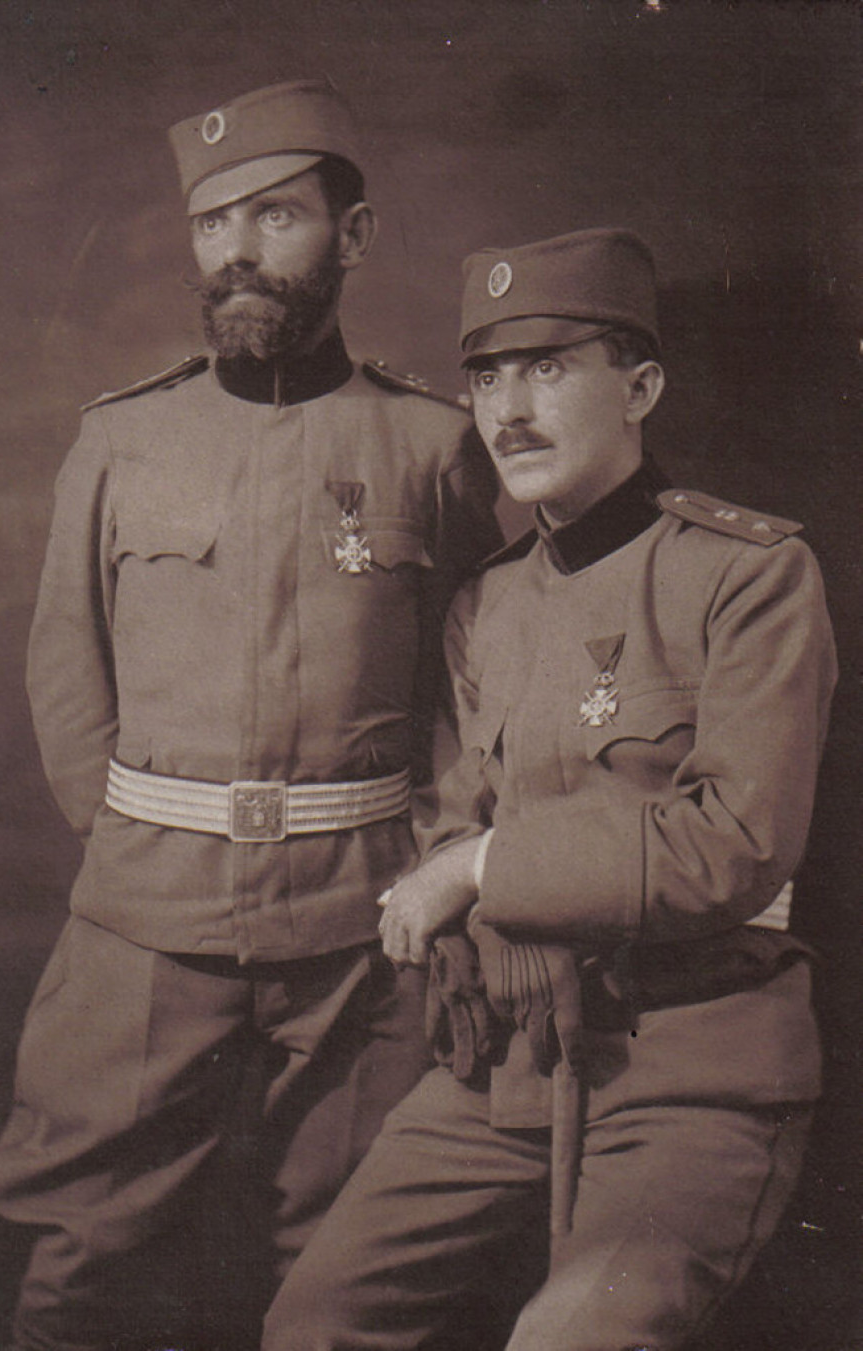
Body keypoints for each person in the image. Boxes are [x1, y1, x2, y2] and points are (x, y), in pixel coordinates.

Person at [0, 78, 501, 1351]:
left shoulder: (431, 446)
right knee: (87, 1258)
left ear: (353, 235)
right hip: (147, 921)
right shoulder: (122, 441)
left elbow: (475, 689)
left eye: (275, 216)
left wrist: (437, 862)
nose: (238, 252)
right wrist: (139, 846)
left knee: (349, 1263)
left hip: (363, 929)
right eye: (214, 224)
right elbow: (67, 674)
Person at [258, 227, 838, 1351]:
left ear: (641, 388)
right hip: (511, 1062)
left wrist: (486, 870)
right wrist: (469, 878)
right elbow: (454, 817)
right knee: (312, 1323)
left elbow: (733, 844)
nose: (508, 410)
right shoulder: (488, 603)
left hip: (693, 1066)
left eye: (549, 369)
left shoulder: (750, 575)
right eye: (486, 377)